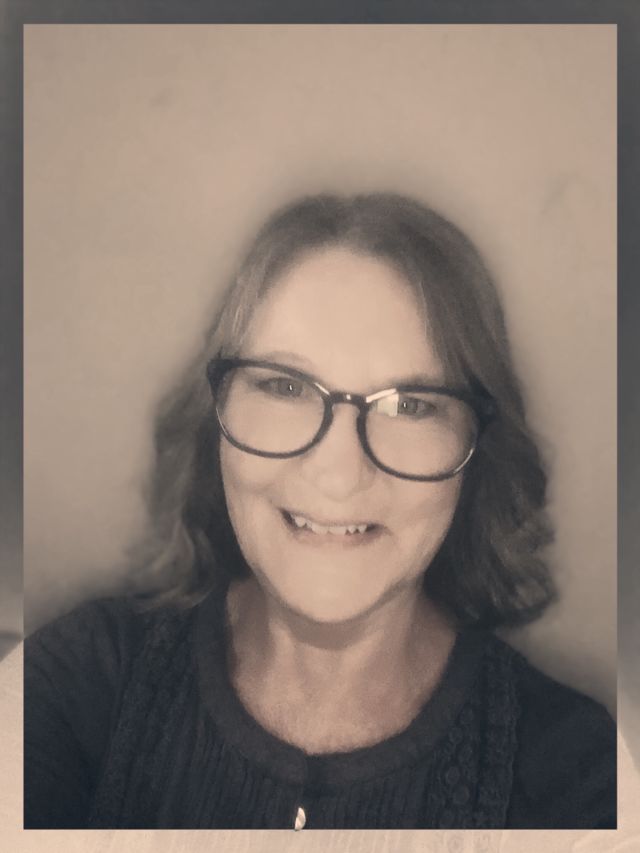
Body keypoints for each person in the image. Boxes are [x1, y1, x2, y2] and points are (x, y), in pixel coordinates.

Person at [24, 192, 616, 829]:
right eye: (284, 386)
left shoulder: (577, 776)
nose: (339, 475)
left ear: (477, 449)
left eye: (410, 405)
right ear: (213, 421)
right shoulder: (77, 684)